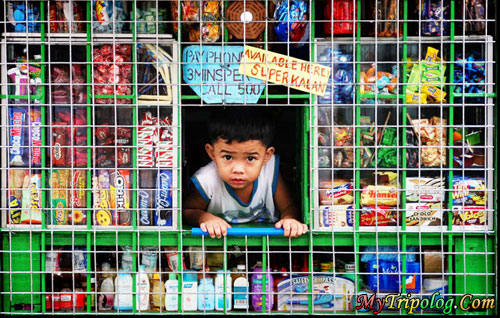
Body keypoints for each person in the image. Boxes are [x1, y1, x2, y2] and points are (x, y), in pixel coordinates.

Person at [183, 108, 308, 238]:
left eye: (250, 158)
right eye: (228, 157)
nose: (238, 169)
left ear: (267, 156)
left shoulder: (270, 171)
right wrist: (205, 218)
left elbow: (288, 206)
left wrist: (289, 219)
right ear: (212, 153)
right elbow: (187, 211)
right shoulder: (207, 179)